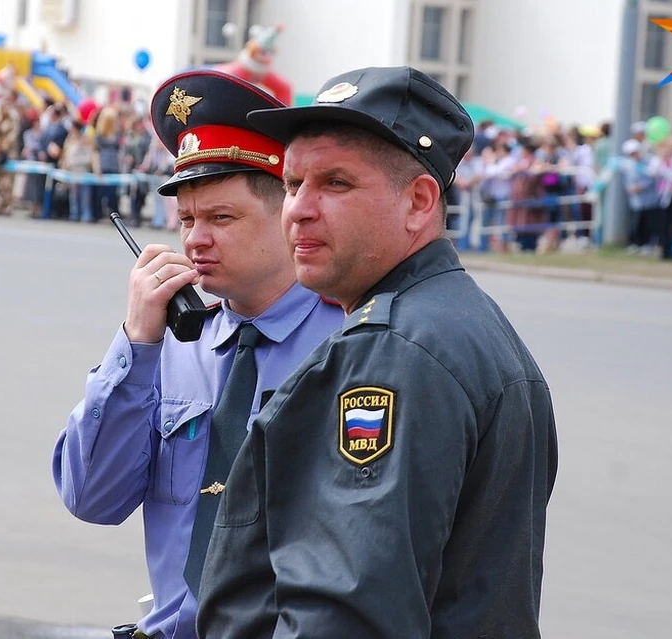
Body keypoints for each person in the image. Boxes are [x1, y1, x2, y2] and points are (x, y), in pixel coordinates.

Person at [196, 66, 559, 639]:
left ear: (419, 201)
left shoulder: (392, 352)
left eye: (335, 183)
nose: (299, 209)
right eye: (293, 184)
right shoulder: (457, 322)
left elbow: (346, 613)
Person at [51, 70, 344, 639]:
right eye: (186, 219)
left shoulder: (350, 340)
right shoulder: (169, 340)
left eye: (220, 218)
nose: (194, 240)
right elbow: (93, 498)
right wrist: (135, 344)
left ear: (288, 214)